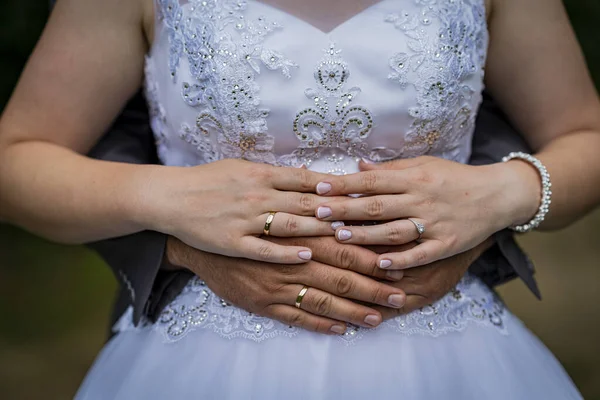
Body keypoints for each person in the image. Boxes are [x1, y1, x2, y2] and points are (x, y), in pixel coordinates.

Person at [1, 0, 598, 398]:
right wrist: (169, 198)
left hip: (457, 353)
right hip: (204, 359)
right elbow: (17, 156)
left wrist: (503, 191)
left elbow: (585, 136)